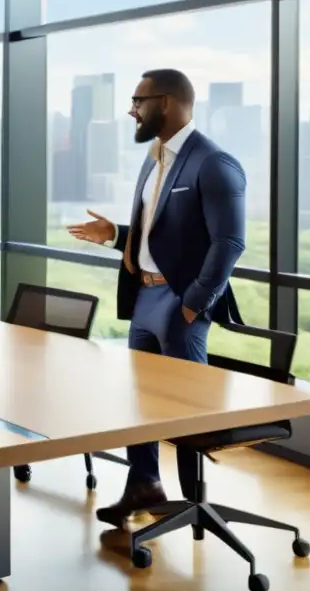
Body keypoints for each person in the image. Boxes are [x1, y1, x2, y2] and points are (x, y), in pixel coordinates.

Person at [67, 68, 246, 528]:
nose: (132, 109)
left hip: (180, 303)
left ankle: (194, 508)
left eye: (138, 100)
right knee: (140, 403)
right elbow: (162, 232)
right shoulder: (154, 158)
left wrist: (193, 303)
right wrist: (115, 237)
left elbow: (228, 243)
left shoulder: (214, 163)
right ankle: (144, 484)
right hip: (145, 298)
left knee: (186, 412)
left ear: (166, 103)